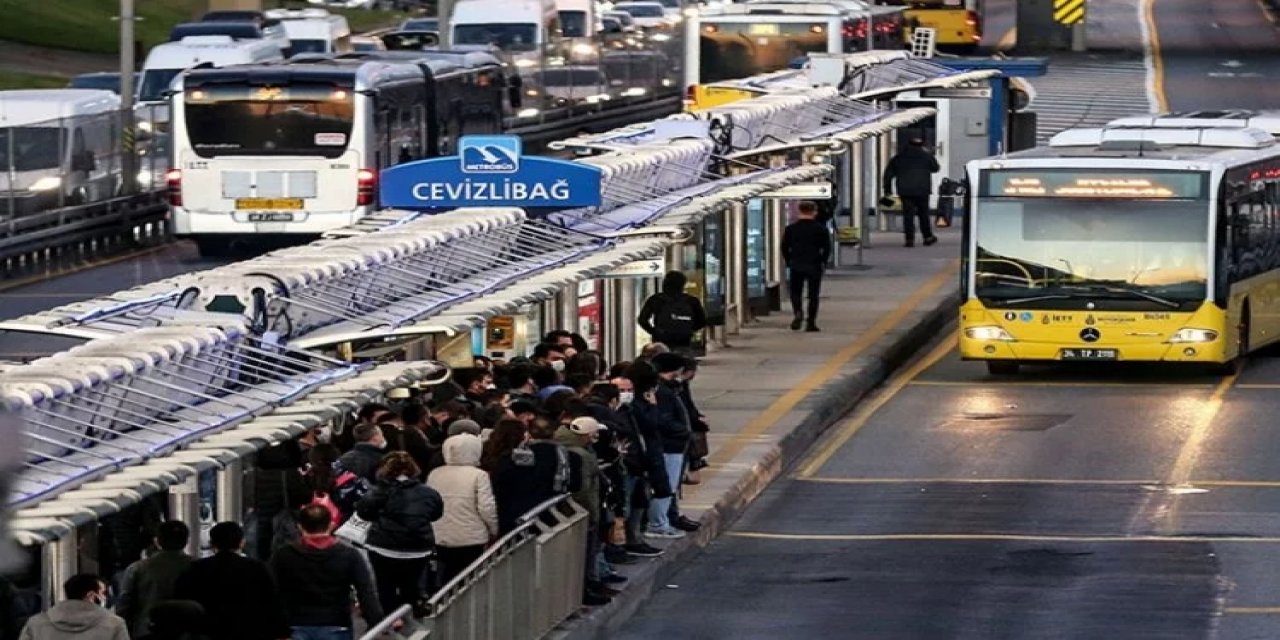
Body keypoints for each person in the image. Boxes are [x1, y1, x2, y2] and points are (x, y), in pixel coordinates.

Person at [269, 504, 384, 640]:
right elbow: (366, 593)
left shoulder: (283, 555)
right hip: (336, 624)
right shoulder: (349, 555)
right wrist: (376, 623)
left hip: (294, 625)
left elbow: (270, 591)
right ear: (330, 525)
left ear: (300, 526)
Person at [356, 452, 444, 616]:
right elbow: (436, 514)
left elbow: (363, 512)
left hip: (383, 546)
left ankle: (390, 621)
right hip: (418, 547)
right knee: (411, 585)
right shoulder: (428, 492)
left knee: (385, 587)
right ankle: (411, 614)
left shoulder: (379, 491)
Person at [173, 522, 289, 640]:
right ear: (241, 543)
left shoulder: (195, 569)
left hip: (209, 633)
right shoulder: (258, 568)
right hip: (250, 633)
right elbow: (273, 604)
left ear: (212, 544)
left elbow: (183, 605)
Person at [427, 433, 499, 584]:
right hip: (471, 537)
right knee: (469, 578)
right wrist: (494, 529)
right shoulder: (479, 475)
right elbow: (486, 507)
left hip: (440, 535)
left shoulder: (435, 474)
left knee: (444, 577)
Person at [115, 521, 193, 639]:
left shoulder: (137, 569)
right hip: (188, 633)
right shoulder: (198, 566)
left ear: (157, 541)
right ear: (186, 541)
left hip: (146, 632)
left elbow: (124, 606)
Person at [19, 574, 129, 640]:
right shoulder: (114, 625)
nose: (106, 597)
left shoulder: (36, 624)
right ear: (91, 596)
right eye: (103, 593)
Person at [781, 200, 832, 332]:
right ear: (814, 212)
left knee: (795, 292)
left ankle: (798, 312)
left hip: (796, 264)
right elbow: (827, 248)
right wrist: (823, 262)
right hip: (814, 264)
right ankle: (811, 322)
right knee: (813, 295)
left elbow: (784, 247)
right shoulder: (821, 229)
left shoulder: (791, 229)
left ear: (799, 211)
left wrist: (789, 261)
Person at [883, 137, 941, 248]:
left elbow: (888, 174)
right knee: (923, 214)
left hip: (905, 191)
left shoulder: (899, 157)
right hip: (922, 190)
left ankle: (909, 239)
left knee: (908, 215)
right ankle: (927, 237)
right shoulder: (926, 156)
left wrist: (887, 190)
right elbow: (935, 168)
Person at [637, 271, 707, 353]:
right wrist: (689, 330)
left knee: (660, 362)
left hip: (661, 341)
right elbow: (702, 321)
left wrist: (654, 332)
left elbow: (642, 320)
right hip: (683, 341)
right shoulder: (691, 300)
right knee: (685, 362)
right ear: (682, 285)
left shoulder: (656, 299)